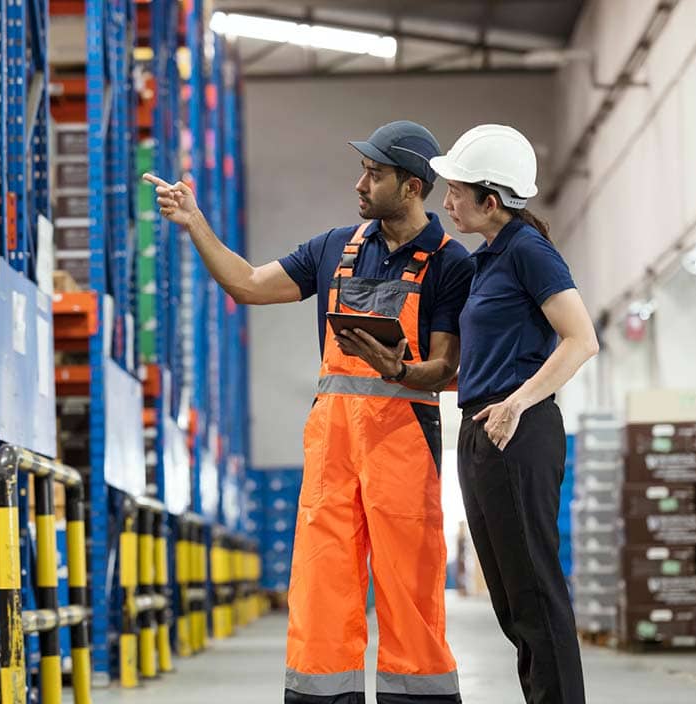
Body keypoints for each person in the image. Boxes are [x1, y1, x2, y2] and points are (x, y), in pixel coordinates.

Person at [145, 120, 473, 704]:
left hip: (406, 445)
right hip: (332, 446)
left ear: (412, 187)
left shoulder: (451, 264)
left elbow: (447, 366)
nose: (360, 184)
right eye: (363, 172)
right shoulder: (332, 248)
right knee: (321, 589)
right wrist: (195, 222)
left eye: (375, 175)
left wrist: (398, 369)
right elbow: (248, 284)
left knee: (411, 594)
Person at [431, 124, 598, 704]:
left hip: (518, 430)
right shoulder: (487, 260)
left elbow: (581, 339)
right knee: (511, 601)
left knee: (535, 595)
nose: (446, 203)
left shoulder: (528, 251)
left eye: (455, 192)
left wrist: (517, 402)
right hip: (483, 427)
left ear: (491, 200)